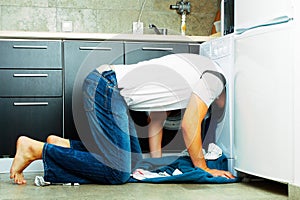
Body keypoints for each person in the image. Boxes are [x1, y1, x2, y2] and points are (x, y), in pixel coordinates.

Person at [10, 53, 234, 185]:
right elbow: (190, 124)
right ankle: (36, 150)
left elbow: (156, 118)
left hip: (109, 87)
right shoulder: (216, 78)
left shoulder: (195, 68)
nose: (212, 111)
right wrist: (203, 168)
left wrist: (154, 161)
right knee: (117, 172)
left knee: (134, 161)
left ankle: (64, 146)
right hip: (107, 87)